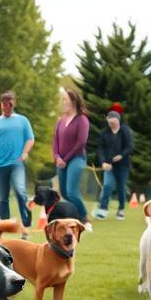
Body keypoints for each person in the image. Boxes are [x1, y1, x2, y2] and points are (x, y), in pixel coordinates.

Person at [0, 90, 35, 231]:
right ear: (1, 105)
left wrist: (25, 152)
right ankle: (5, 225)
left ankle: (26, 222)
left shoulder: (22, 120)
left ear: (14, 105)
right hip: (0, 165)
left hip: (16, 163)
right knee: (3, 198)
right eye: (5, 105)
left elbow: (30, 139)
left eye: (10, 105)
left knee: (20, 191)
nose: (7, 108)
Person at [53, 89, 91, 219]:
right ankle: (73, 215)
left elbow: (81, 142)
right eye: (63, 99)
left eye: (66, 99)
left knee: (72, 192)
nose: (63, 102)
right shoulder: (61, 120)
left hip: (76, 158)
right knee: (64, 192)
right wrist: (57, 157)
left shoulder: (82, 120)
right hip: (61, 161)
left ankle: (84, 217)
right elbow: (55, 141)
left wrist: (66, 159)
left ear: (73, 101)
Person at [95, 104, 135, 220]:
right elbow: (100, 148)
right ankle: (103, 209)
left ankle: (121, 209)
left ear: (118, 121)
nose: (112, 125)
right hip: (108, 165)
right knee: (107, 185)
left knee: (121, 187)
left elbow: (130, 146)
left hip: (123, 165)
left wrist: (121, 156)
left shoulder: (125, 131)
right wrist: (103, 162)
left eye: (114, 122)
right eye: (110, 122)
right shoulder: (104, 133)